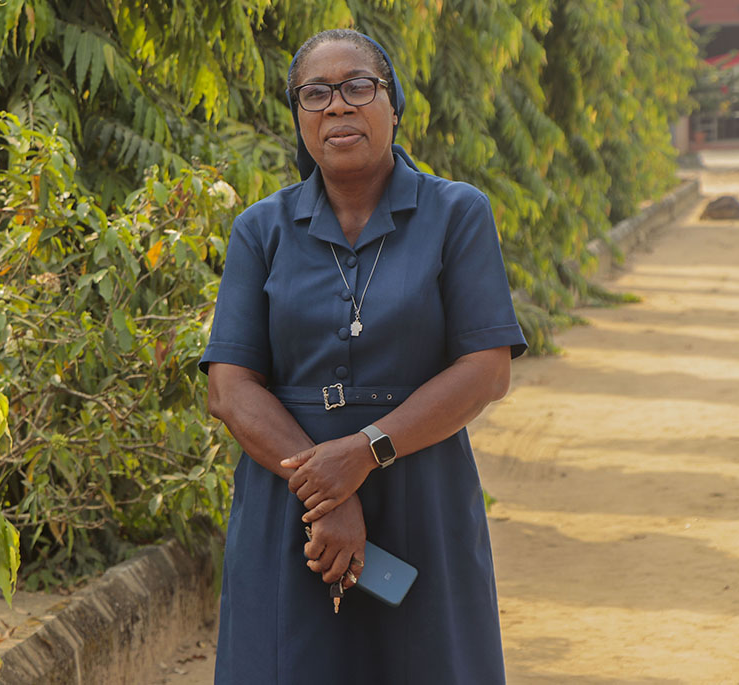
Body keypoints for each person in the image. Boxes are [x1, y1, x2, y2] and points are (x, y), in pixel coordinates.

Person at [200, 28, 527, 684]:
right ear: (297, 115)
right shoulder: (260, 229)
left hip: (421, 495)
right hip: (290, 505)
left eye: (358, 87)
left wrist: (363, 452)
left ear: (393, 104)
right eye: (315, 94)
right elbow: (231, 388)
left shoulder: (456, 214)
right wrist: (328, 493)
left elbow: (486, 368)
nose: (338, 107)